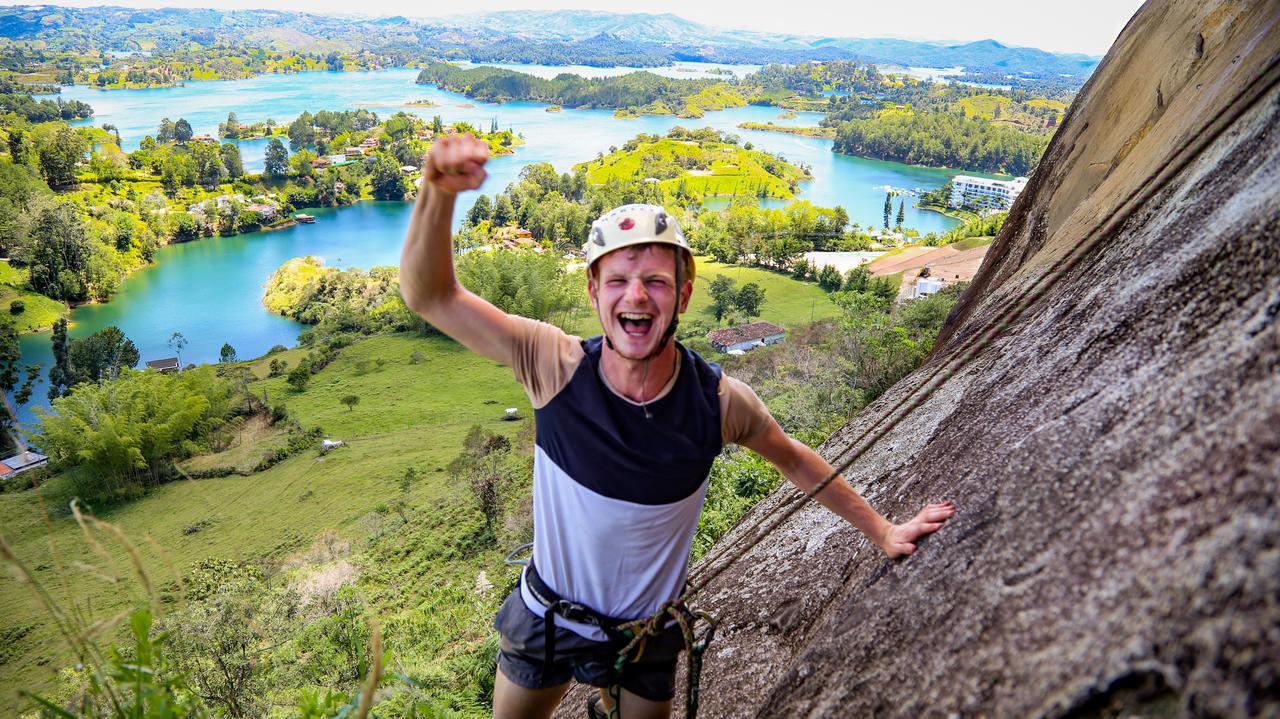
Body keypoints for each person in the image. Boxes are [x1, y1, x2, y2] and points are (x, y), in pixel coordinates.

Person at [400, 134, 956, 719]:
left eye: (656, 282)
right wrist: (437, 191)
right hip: (548, 618)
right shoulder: (553, 366)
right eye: (616, 280)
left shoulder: (716, 403)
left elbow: (794, 459)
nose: (635, 295)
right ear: (594, 290)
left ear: (683, 295)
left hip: (644, 635)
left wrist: (882, 530)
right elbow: (429, 294)